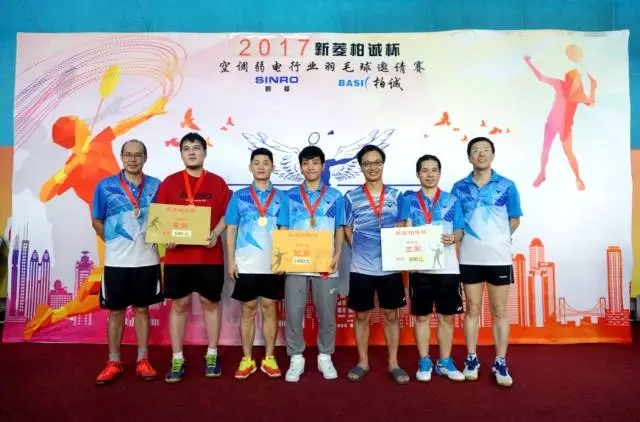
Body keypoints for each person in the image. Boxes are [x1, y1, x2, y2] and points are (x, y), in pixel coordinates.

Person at [155, 132, 231, 383]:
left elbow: (228, 214)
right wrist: (166, 235)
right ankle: (177, 357)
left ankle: (212, 353)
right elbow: (159, 218)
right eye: (186, 148)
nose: (191, 152)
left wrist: (216, 232)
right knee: (179, 305)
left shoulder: (218, 183)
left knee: (210, 303)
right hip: (178, 258)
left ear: (204, 153)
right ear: (181, 154)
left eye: (196, 148)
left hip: (209, 256)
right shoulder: (169, 183)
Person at [451, 137, 522, 388]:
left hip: (498, 258)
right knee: (472, 310)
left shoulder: (507, 186)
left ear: (493, 155)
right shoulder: (459, 187)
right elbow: (455, 222)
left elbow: (514, 219)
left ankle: (500, 361)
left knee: (499, 311)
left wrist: (497, 239)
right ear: (469, 157)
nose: (480, 154)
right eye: (475, 151)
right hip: (469, 258)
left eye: (485, 150)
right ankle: (472, 358)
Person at [91, 139, 163, 385]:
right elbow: (97, 219)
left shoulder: (156, 185)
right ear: (121, 157)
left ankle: (143, 359)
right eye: (128, 154)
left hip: (147, 259)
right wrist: (112, 242)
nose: (133, 159)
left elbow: (165, 220)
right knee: (116, 312)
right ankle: (113, 361)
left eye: (138, 155)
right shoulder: (105, 186)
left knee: (142, 310)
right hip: (116, 262)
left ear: (145, 158)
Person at [344, 145, 410, 385]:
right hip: (361, 267)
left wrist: (395, 254)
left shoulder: (396, 196)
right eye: (367, 163)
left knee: (391, 315)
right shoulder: (350, 197)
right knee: (361, 315)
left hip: (390, 267)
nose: (372, 167)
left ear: (383, 164)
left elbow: (403, 227)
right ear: (361, 167)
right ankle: (363, 362)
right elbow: (347, 228)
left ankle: (394, 363)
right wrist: (359, 249)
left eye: (376, 162)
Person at [279, 145, 345, 383]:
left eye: (315, 162)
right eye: (306, 163)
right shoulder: (289, 196)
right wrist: (282, 257)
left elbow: (339, 228)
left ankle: (325, 355)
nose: (310, 167)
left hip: (325, 262)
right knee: (293, 312)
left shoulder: (335, 196)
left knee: (326, 313)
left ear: (322, 166)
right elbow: (283, 227)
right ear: (300, 167)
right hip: (295, 262)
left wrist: (338, 254)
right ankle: (296, 356)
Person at [225, 147, 287, 379]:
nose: (261, 167)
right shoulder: (239, 196)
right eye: (257, 163)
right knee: (248, 310)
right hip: (246, 263)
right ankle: (247, 359)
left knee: (270, 309)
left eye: (266, 163)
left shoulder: (281, 197)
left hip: (272, 264)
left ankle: (269, 357)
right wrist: (231, 261)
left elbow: (284, 229)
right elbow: (231, 230)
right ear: (250, 167)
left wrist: (282, 259)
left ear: (273, 167)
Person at [404, 155, 465, 382]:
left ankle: (445, 361)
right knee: (421, 318)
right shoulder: (408, 201)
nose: (429, 174)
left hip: (448, 268)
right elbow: (401, 229)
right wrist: (406, 229)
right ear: (417, 174)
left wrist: (454, 237)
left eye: (434, 170)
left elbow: (459, 229)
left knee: (446, 317)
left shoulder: (451, 200)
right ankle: (424, 361)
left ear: (440, 173)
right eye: (425, 170)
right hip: (419, 269)